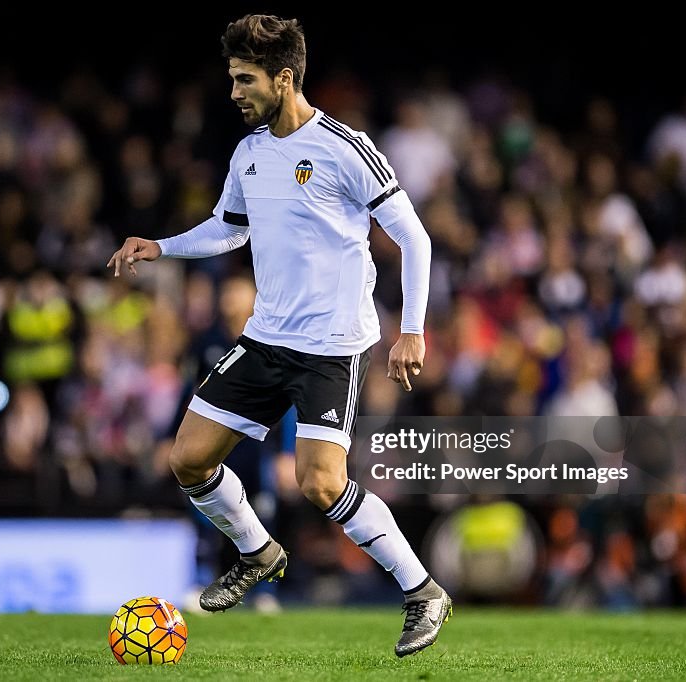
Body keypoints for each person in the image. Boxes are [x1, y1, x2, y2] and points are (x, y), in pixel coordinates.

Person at [108, 14, 451, 657]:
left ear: (284, 78)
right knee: (187, 459)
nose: (235, 92)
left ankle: (422, 590)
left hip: (331, 346)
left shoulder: (345, 149)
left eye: (245, 79)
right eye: (233, 79)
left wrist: (412, 332)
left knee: (319, 484)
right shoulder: (249, 153)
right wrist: (161, 246)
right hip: (266, 337)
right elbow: (227, 229)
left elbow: (416, 237)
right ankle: (258, 552)